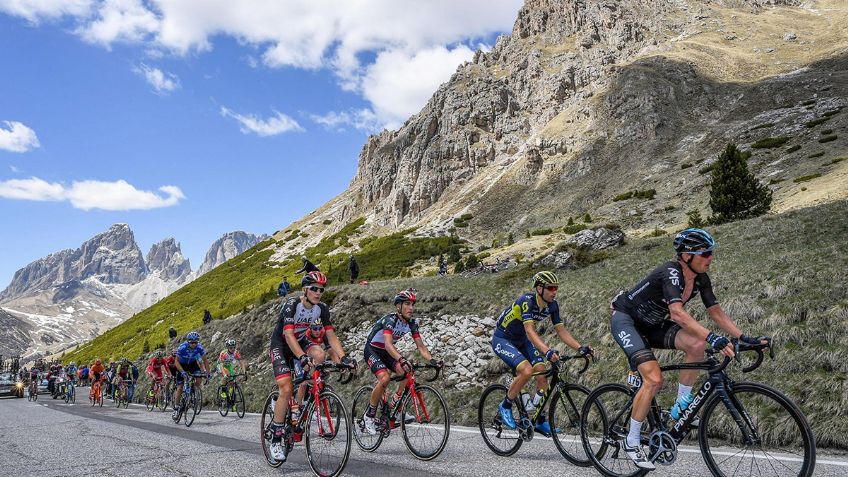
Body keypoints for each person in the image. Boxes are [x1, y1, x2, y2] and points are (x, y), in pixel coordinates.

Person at [610, 228, 768, 470]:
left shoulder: (701, 278)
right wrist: (713, 338)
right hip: (627, 320)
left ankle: (681, 405)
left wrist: (743, 337)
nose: (710, 258)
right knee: (653, 379)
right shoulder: (671, 272)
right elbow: (676, 313)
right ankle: (632, 441)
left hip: (653, 324)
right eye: (705, 253)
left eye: (711, 252)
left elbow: (715, 312)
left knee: (696, 344)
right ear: (686, 256)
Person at [491, 271, 594, 437]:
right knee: (526, 370)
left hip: (522, 340)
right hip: (503, 338)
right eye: (551, 288)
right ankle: (506, 405)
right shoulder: (526, 301)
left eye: (556, 288)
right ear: (539, 288)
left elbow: (561, 331)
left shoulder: (553, 305)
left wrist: (580, 347)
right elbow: (530, 330)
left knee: (542, 374)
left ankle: (539, 419)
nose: (554, 292)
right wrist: (546, 351)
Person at [267, 271, 355, 463]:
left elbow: (331, 336)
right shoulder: (292, 304)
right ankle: (275, 437)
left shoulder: (321, 308)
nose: (318, 292)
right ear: (305, 289)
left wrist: (344, 358)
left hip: (301, 341)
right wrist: (302, 357)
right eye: (314, 289)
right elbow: (288, 335)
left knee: (320, 355)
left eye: (321, 289)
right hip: (281, 345)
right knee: (286, 387)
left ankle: (307, 396)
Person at [361, 289, 441, 435]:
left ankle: (395, 408)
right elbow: (388, 344)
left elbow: (421, 346)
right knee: (384, 378)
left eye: (412, 304)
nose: (411, 308)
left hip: (386, 352)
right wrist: (401, 358)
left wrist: (432, 360)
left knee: (406, 371)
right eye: (407, 304)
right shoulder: (390, 320)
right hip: (372, 350)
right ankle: (369, 416)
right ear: (399, 306)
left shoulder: (412, 323)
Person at [172, 331, 209, 419]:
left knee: (199, 379)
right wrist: (182, 372)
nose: (193, 344)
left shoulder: (199, 348)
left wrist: (207, 373)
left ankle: (192, 394)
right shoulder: (182, 347)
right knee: (180, 387)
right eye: (191, 342)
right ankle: (176, 408)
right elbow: (176, 361)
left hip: (192, 364)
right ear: (188, 342)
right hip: (181, 365)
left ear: (198, 342)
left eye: (195, 342)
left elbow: (205, 361)